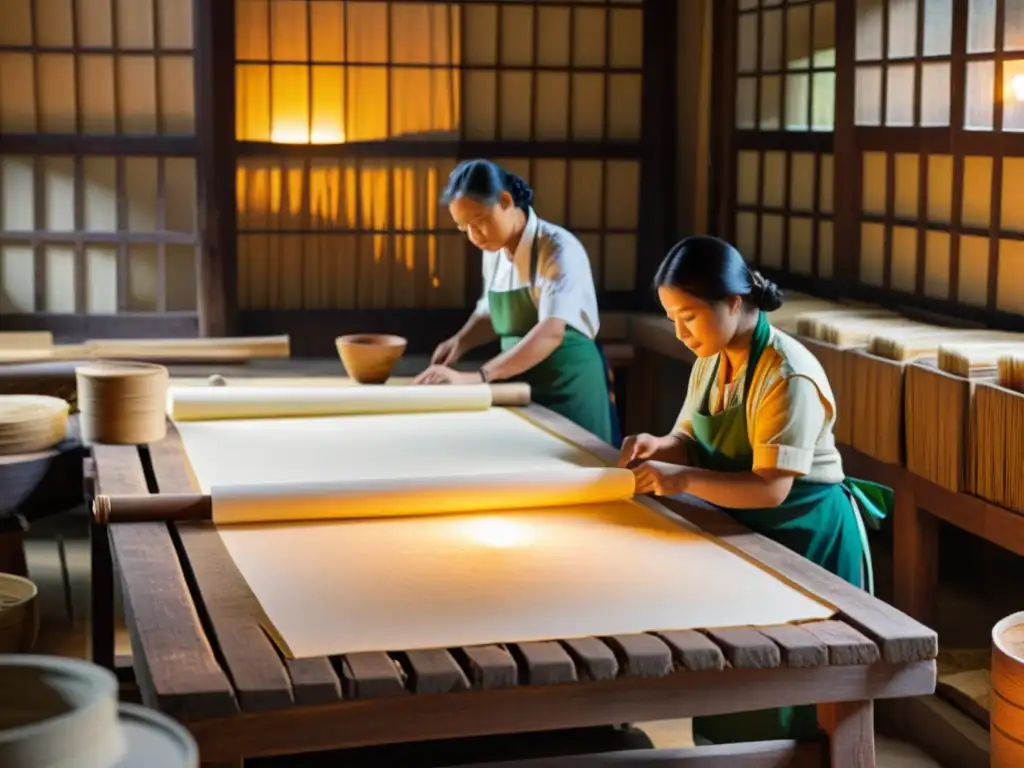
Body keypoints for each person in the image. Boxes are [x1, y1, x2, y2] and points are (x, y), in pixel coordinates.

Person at [617, 235, 891, 744]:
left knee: (801, 693)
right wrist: (661, 445)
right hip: (747, 531)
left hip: (807, 535)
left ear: (734, 302)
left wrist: (680, 480)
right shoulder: (712, 359)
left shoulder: (787, 372)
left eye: (689, 317)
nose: (679, 333)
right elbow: (688, 437)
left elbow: (770, 489)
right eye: (672, 318)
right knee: (741, 675)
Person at [414, 159, 621, 446]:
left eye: (480, 221)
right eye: (464, 228)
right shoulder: (494, 252)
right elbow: (491, 313)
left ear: (505, 200)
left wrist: (479, 376)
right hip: (520, 385)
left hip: (568, 385)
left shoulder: (558, 249)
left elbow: (551, 332)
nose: (475, 236)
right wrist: (460, 342)